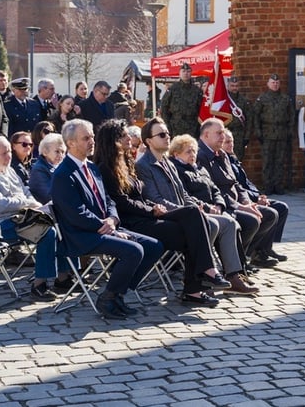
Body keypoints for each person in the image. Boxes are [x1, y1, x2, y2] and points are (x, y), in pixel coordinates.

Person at [95, 119, 239, 302]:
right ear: (113, 140)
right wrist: (151, 209)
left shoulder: (126, 161)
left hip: (147, 215)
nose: (129, 138)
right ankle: (203, 277)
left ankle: (196, 286)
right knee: (192, 226)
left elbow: (145, 195)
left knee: (194, 218)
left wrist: (152, 208)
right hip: (133, 222)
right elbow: (121, 202)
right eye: (123, 136)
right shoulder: (107, 168)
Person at [51, 119, 164, 319]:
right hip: (81, 235)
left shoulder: (93, 168)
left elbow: (108, 200)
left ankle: (118, 292)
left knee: (154, 246)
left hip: (105, 227)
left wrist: (112, 219)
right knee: (134, 250)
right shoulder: (63, 173)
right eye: (86, 138)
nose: (92, 141)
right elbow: (75, 213)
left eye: (92, 137)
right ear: (71, 143)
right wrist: (106, 227)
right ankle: (108, 298)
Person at [136, 120, 253, 300]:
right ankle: (203, 279)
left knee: (228, 222)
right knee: (208, 224)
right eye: (161, 135)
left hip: (185, 213)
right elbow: (156, 200)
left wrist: (199, 207)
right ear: (148, 141)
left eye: (167, 133)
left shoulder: (167, 162)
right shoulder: (143, 165)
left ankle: (233, 275)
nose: (167, 137)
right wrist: (189, 210)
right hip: (166, 216)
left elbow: (183, 193)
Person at [0, 135, 61, 301]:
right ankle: (40, 285)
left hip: (20, 219)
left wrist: (32, 203)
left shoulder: (9, 170)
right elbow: (0, 204)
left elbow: (25, 191)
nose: (8, 157)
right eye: (3, 154)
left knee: (61, 222)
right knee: (47, 232)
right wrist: (27, 204)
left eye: (8, 152)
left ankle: (64, 277)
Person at [197, 118, 281, 266]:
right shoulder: (200, 156)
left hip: (236, 203)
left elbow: (235, 183)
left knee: (270, 214)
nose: (223, 136)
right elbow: (211, 190)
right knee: (251, 221)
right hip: (219, 205)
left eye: (223, 132)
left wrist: (247, 202)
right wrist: (241, 207)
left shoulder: (221, 154)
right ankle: (233, 265)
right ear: (206, 135)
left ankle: (245, 256)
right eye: (219, 133)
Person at [222, 128, 290, 264]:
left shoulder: (233, 158)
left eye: (232, 141)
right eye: (227, 142)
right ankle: (256, 253)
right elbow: (236, 187)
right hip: (241, 201)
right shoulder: (224, 161)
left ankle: (266, 248)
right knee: (270, 213)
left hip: (251, 196)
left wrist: (260, 195)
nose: (231, 145)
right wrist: (255, 199)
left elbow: (246, 182)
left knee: (282, 207)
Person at [254, 74, 295, 195]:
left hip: (282, 133)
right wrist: (258, 131)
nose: (275, 84)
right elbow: (255, 116)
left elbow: (292, 116)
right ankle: (268, 186)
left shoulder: (285, 99)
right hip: (267, 134)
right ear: (268, 84)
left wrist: (289, 131)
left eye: (277, 82)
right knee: (267, 161)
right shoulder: (262, 98)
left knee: (280, 161)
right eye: (273, 82)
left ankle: (278, 185)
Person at [159, 64, 203, 139]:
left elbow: (201, 110)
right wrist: (168, 125)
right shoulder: (173, 89)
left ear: (191, 73)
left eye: (188, 71)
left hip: (192, 128)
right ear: (179, 73)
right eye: (183, 71)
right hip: (175, 128)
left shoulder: (197, 91)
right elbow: (164, 107)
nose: (186, 73)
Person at [28, 132, 66, 203]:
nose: (61, 155)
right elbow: (49, 196)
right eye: (57, 151)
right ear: (45, 152)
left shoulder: (61, 167)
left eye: (63, 152)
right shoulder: (39, 169)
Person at [223, 76, 252, 160]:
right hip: (226, 133)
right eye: (232, 86)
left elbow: (249, 120)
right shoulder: (223, 100)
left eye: (236, 86)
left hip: (239, 135)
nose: (234, 88)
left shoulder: (244, 101)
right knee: (225, 159)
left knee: (238, 159)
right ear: (228, 86)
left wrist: (247, 136)